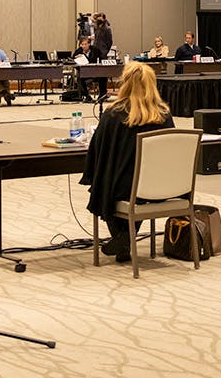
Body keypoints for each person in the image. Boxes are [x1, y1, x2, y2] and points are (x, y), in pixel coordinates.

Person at [79, 62, 175, 263]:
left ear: (126, 83)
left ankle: (123, 238)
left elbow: (98, 151)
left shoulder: (114, 114)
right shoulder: (164, 115)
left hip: (127, 189)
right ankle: (124, 238)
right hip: (163, 187)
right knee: (129, 184)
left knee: (104, 185)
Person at [89, 13, 113, 101]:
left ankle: (103, 92)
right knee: (95, 71)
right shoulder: (97, 27)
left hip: (103, 53)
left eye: (98, 17)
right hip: (95, 52)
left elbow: (110, 42)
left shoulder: (107, 28)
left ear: (103, 18)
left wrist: (105, 51)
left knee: (103, 74)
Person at [73, 36, 96, 101]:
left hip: (94, 71)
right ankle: (87, 96)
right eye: (82, 44)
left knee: (103, 77)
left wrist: (84, 56)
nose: (84, 46)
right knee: (80, 78)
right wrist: (76, 57)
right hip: (84, 72)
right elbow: (72, 58)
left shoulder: (94, 50)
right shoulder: (79, 51)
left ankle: (102, 94)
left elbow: (93, 60)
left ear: (89, 44)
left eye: (85, 44)